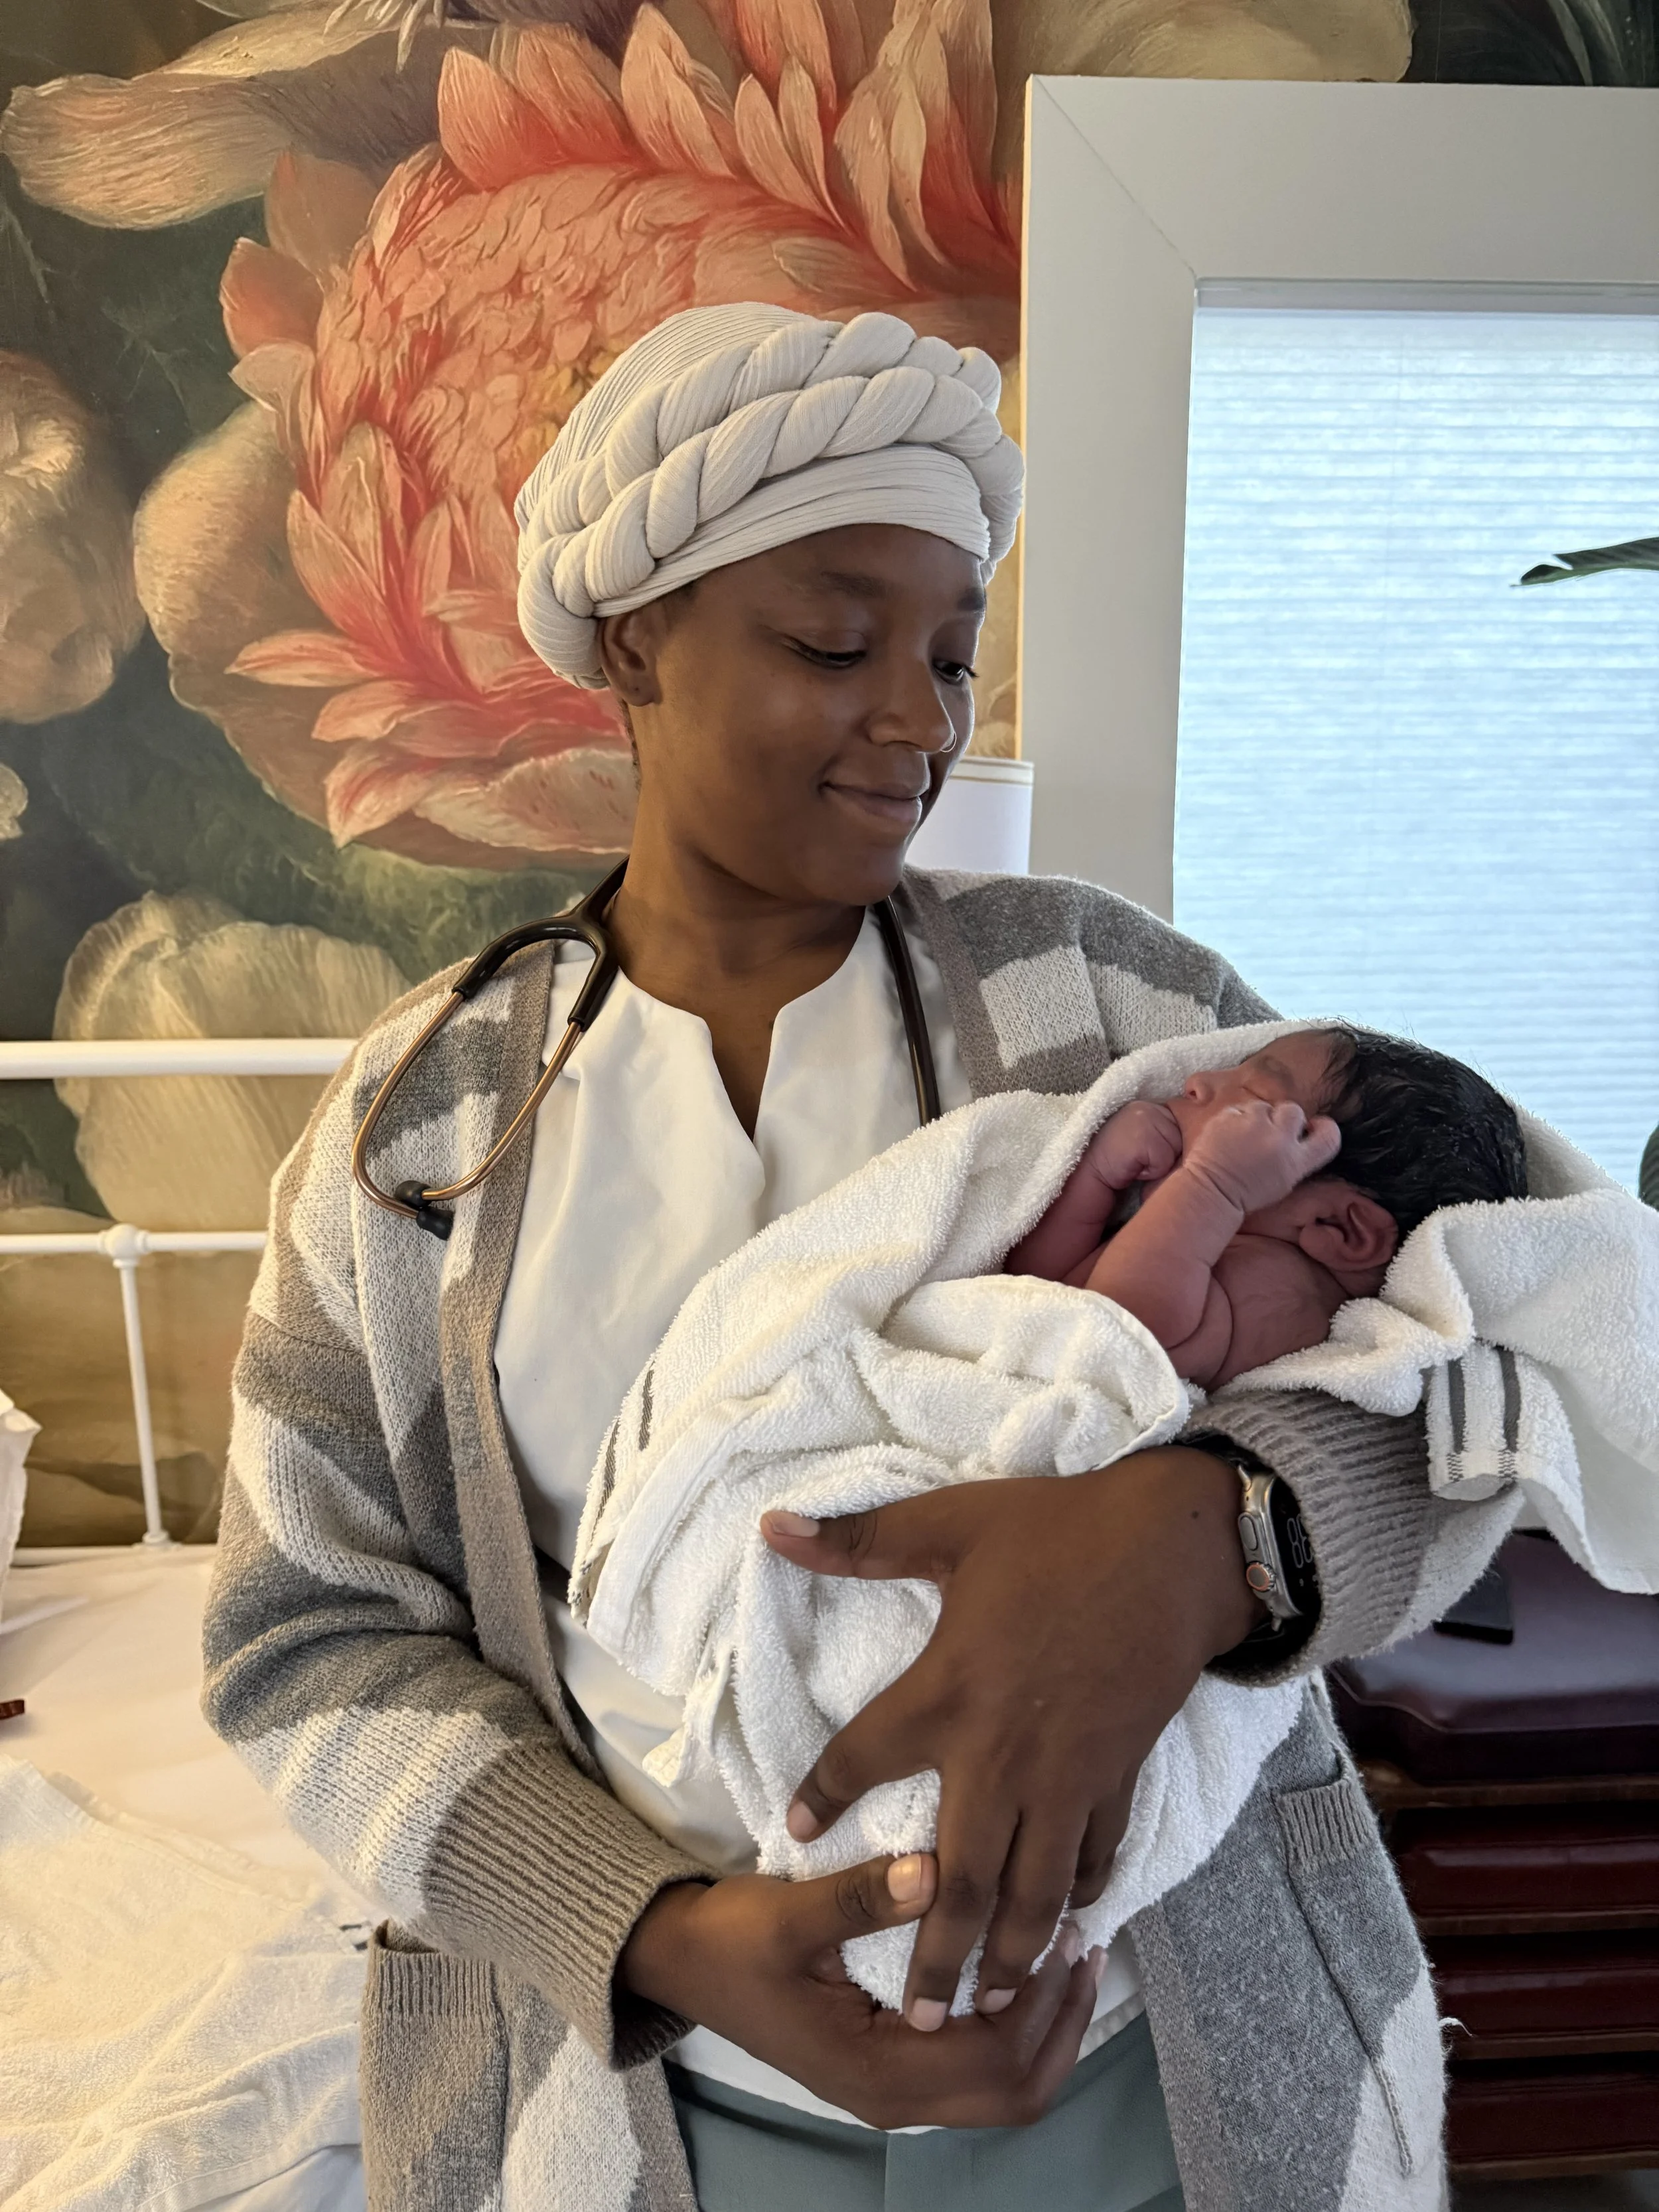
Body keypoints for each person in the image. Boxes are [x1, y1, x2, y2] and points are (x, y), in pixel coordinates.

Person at [202, 303, 1515, 2212]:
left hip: (1162, 2064)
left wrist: (1209, 1537)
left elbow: (1473, 1355)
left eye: (951, 653)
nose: (921, 719)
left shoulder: (1112, 1011)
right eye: (834, 643)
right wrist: (655, 1930)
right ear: (634, 640)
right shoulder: (420, 1138)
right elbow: (304, 1633)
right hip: (668, 2101)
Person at [1009, 1026, 1528, 1388]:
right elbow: (1032, 1288)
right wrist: (1096, 1177)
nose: (1198, 1080)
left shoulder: (1281, 1293)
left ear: (1339, 1227)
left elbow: (1112, 1336)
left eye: (1253, 1094)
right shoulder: (1204, 1242)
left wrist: (1213, 1184)